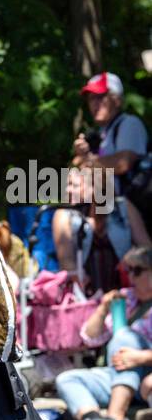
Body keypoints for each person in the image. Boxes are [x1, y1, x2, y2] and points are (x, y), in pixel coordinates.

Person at [52, 72, 150, 291]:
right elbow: (80, 173)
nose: (94, 103)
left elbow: (123, 163)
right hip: (99, 211)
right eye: (90, 98)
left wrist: (88, 160)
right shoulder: (99, 134)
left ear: (117, 99)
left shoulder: (129, 124)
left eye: (100, 97)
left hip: (127, 215)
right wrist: (81, 160)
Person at [55, 245, 152, 420]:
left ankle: (115, 419)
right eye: (129, 270)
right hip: (120, 374)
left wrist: (141, 358)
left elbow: (126, 345)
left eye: (137, 270)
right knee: (67, 379)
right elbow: (90, 338)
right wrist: (102, 309)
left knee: (124, 336)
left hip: (146, 375)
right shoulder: (127, 298)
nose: (131, 277)